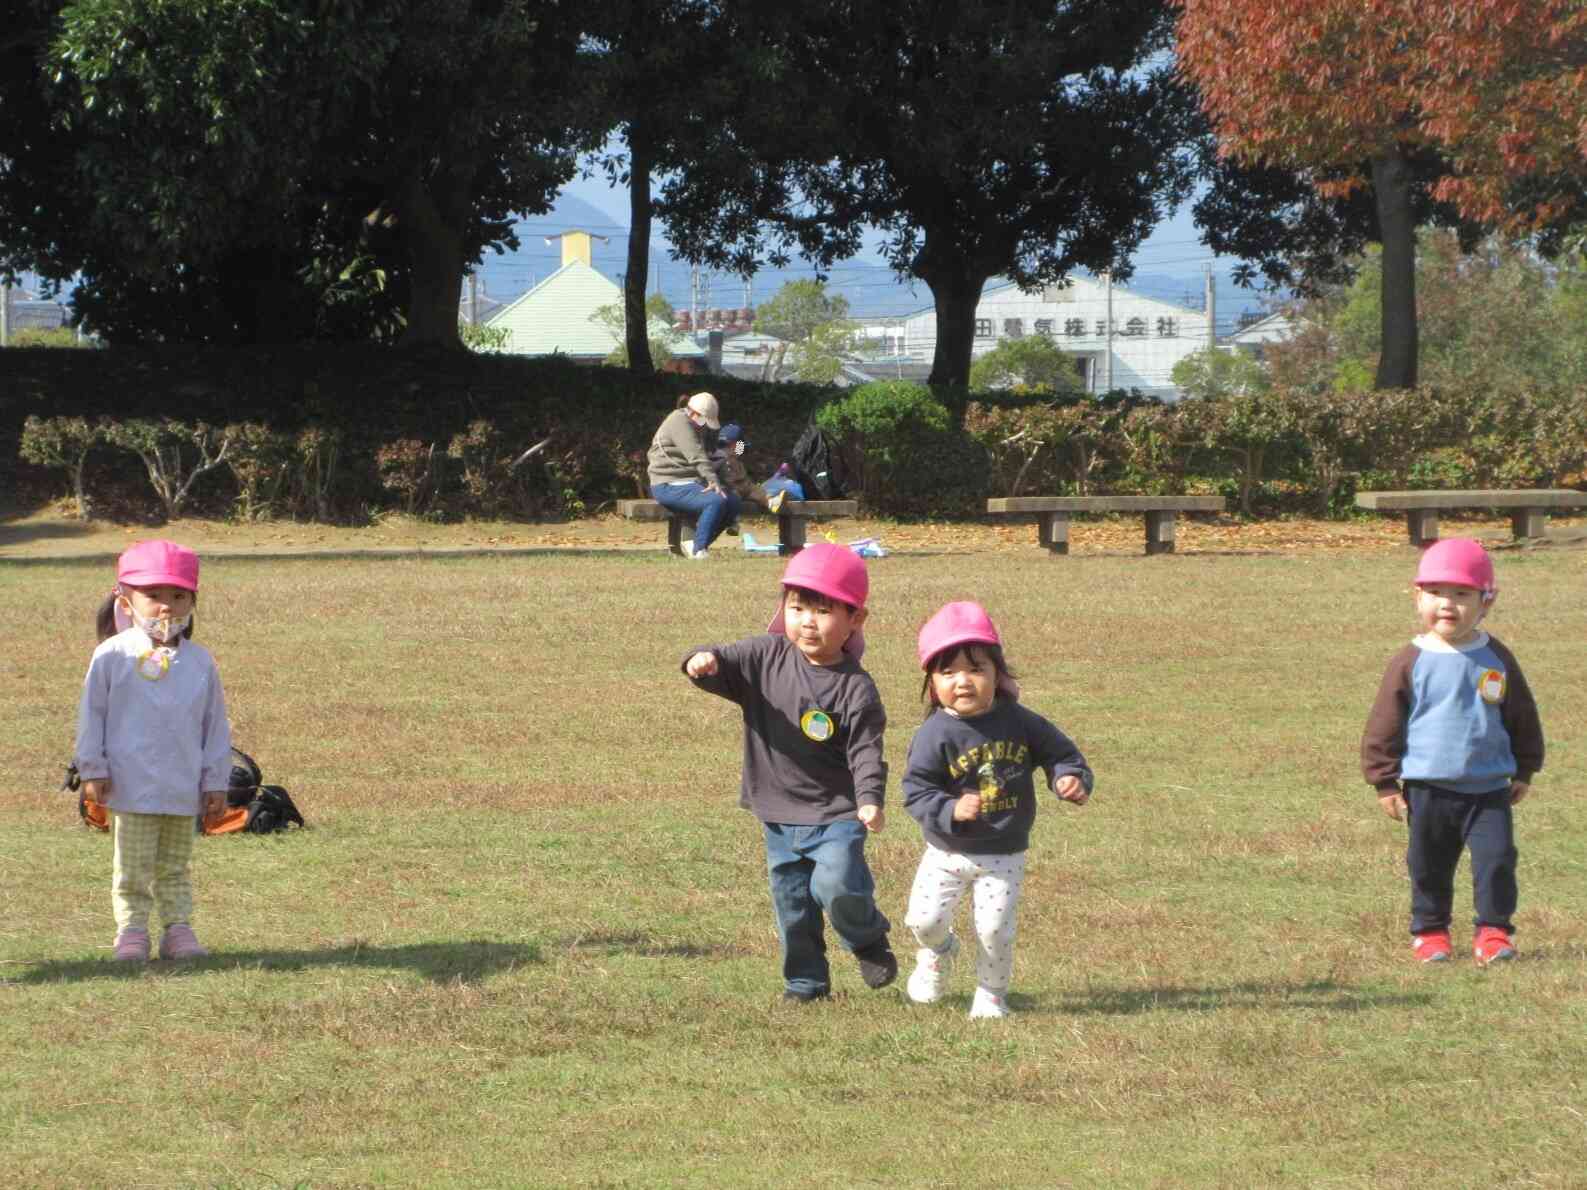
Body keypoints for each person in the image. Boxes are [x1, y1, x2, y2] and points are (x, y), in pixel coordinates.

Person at [682, 543, 897, 1001]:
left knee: (836, 885)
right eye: (797, 607)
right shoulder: (766, 657)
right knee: (793, 906)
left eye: (823, 610)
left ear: (855, 619)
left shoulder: (856, 689)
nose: (807, 621)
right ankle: (805, 985)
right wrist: (700, 661)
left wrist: (870, 799)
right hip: (778, 814)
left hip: (836, 813)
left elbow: (865, 752)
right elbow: (721, 660)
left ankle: (865, 937)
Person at [902, 601, 1093, 1019]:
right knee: (922, 921)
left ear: (998, 675)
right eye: (947, 672)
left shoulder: (1021, 722)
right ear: (932, 684)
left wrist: (1068, 778)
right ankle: (938, 953)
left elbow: (1062, 753)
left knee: (993, 931)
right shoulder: (933, 734)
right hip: (946, 852)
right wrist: (951, 808)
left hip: (1002, 853)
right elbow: (915, 790)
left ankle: (991, 994)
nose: (963, 681)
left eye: (976, 668)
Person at [1361, 538, 1544, 966]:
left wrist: (1525, 769)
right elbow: (1385, 722)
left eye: (1462, 594)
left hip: (1488, 788)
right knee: (1428, 865)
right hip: (1427, 787)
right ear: (1417, 597)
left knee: (1497, 861)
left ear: (1486, 602)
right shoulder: (1410, 660)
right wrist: (1384, 780)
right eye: (1437, 593)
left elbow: (1522, 715)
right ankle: (1430, 931)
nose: (1448, 603)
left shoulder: (1496, 657)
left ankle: (1494, 932)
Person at [74, 540, 233, 962]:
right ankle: (131, 932)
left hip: (183, 785)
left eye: (178, 596)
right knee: (133, 867)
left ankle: (178, 929)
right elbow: (93, 716)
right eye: (154, 595)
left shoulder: (200, 663)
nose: (167, 606)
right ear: (124, 598)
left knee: (175, 866)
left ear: (193, 600)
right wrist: (92, 768)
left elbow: (215, 725)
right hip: (130, 783)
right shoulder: (110, 656)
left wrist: (216, 779)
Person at [647, 391, 741, 560]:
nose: (705, 425)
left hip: (693, 481)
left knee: (733, 502)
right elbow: (696, 455)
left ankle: (697, 545)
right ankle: (698, 550)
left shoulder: (697, 426)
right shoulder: (679, 421)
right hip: (668, 482)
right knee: (715, 501)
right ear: (696, 414)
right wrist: (713, 480)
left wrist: (718, 478)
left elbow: (706, 456)